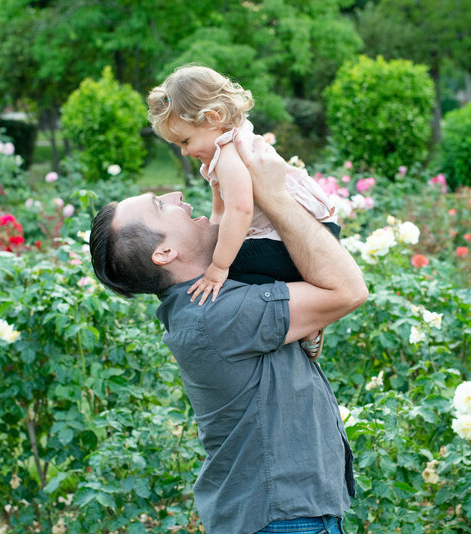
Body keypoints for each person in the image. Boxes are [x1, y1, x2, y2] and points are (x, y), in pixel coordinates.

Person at [88, 134, 368, 534]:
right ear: (164, 254)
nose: (174, 194)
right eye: (159, 205)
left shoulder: (207, 296)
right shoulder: (216, 315)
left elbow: (225, 219)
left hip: (281, 516)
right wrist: (275, 196)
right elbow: (349, 290)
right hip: (284, 520)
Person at [146, 65, 338, 307]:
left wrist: (218, 266)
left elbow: (240, 210)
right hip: (289, 232)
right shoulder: (222, 149)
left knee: (235, 271)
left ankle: (304, 315)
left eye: (185, 141)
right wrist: (212, 247)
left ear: (213, 118)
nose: (184, 152)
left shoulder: (229, 154)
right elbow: (220, 210)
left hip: (301, 234)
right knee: (230, 257)